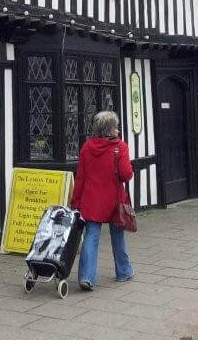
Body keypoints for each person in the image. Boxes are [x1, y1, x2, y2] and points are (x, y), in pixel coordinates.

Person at [70, 110, 134, 290]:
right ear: (110, 129)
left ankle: (86, 277)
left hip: (91, 200)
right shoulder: (120, 147)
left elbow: (80, 177)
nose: (118, 129)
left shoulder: (86, 148)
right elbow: (126, 174)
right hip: (114, 199)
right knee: (118, 236)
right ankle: (123, 272)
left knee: (91, 237)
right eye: (116, 126)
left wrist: (76, 202)